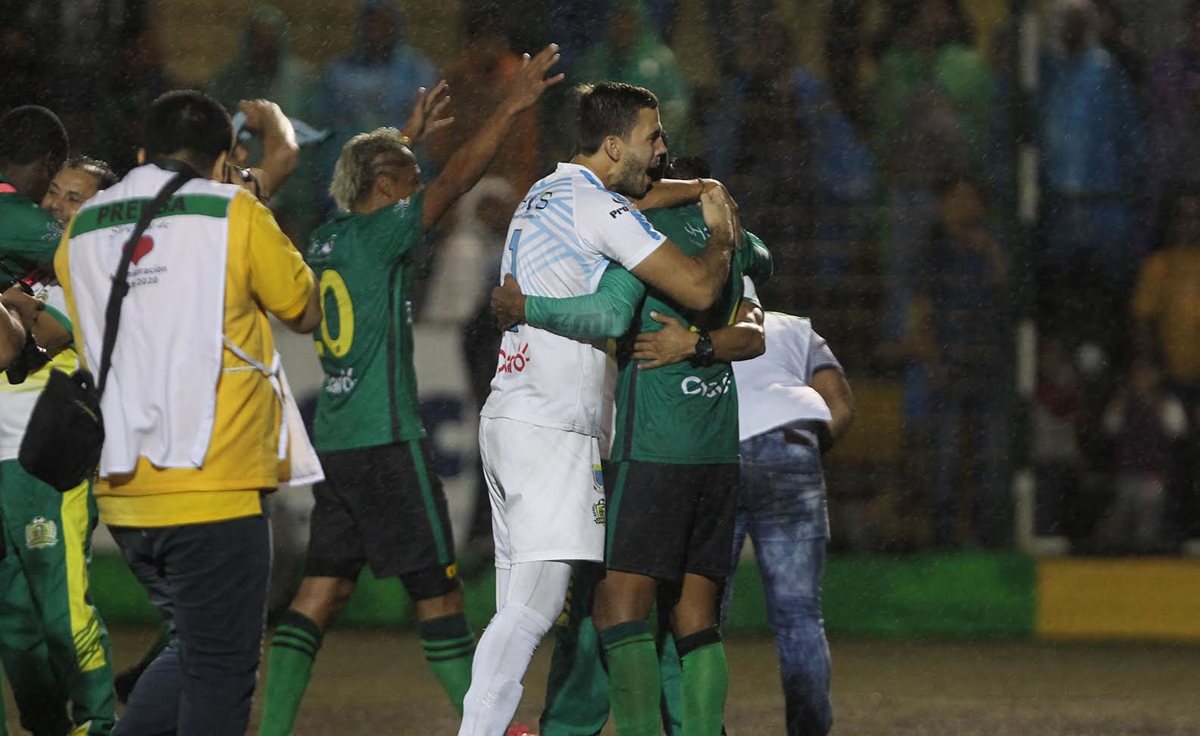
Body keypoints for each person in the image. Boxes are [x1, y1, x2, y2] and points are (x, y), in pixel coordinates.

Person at [256, 46, 563, 736]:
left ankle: (269, 729)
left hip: (337, 441)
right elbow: (459, 178)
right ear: (387, 189)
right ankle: (490, 725)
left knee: (322, 591)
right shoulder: (384, 231)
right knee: (439, 594)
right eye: (408, 173)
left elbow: (384, 175)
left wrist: (403, 135)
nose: (420, 178)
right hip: (388, 442)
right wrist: (512, 107)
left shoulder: (332, 238)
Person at [466, 81, 740, 736]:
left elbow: (639, 195)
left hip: (510, 415)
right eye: (652, 136)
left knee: (537, 608)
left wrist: (699, 186)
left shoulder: (547, 191)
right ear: (615, 146)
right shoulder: (597, 209)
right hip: (553, 429)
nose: (660, 148)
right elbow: (695, 286)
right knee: (535, 612)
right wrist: (722, 237)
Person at [54, 89, 323, 735]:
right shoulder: (234, 211)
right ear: (224, 158)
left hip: (123, 494)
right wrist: (249, 195)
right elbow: (304, 309)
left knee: (194, 652)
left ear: (142, 152)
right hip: (214, 484)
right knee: (223, 672)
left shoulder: (84, 225)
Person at [0, 154, 121, 736]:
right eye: (53, 191)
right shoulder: (24, 273)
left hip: (45, 467)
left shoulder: (87, 277)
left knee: (63, 614)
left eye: (75, 197)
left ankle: (97, 721)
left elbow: (33, 340)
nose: (55, 204)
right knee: (14, 626)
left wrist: (16, 300)